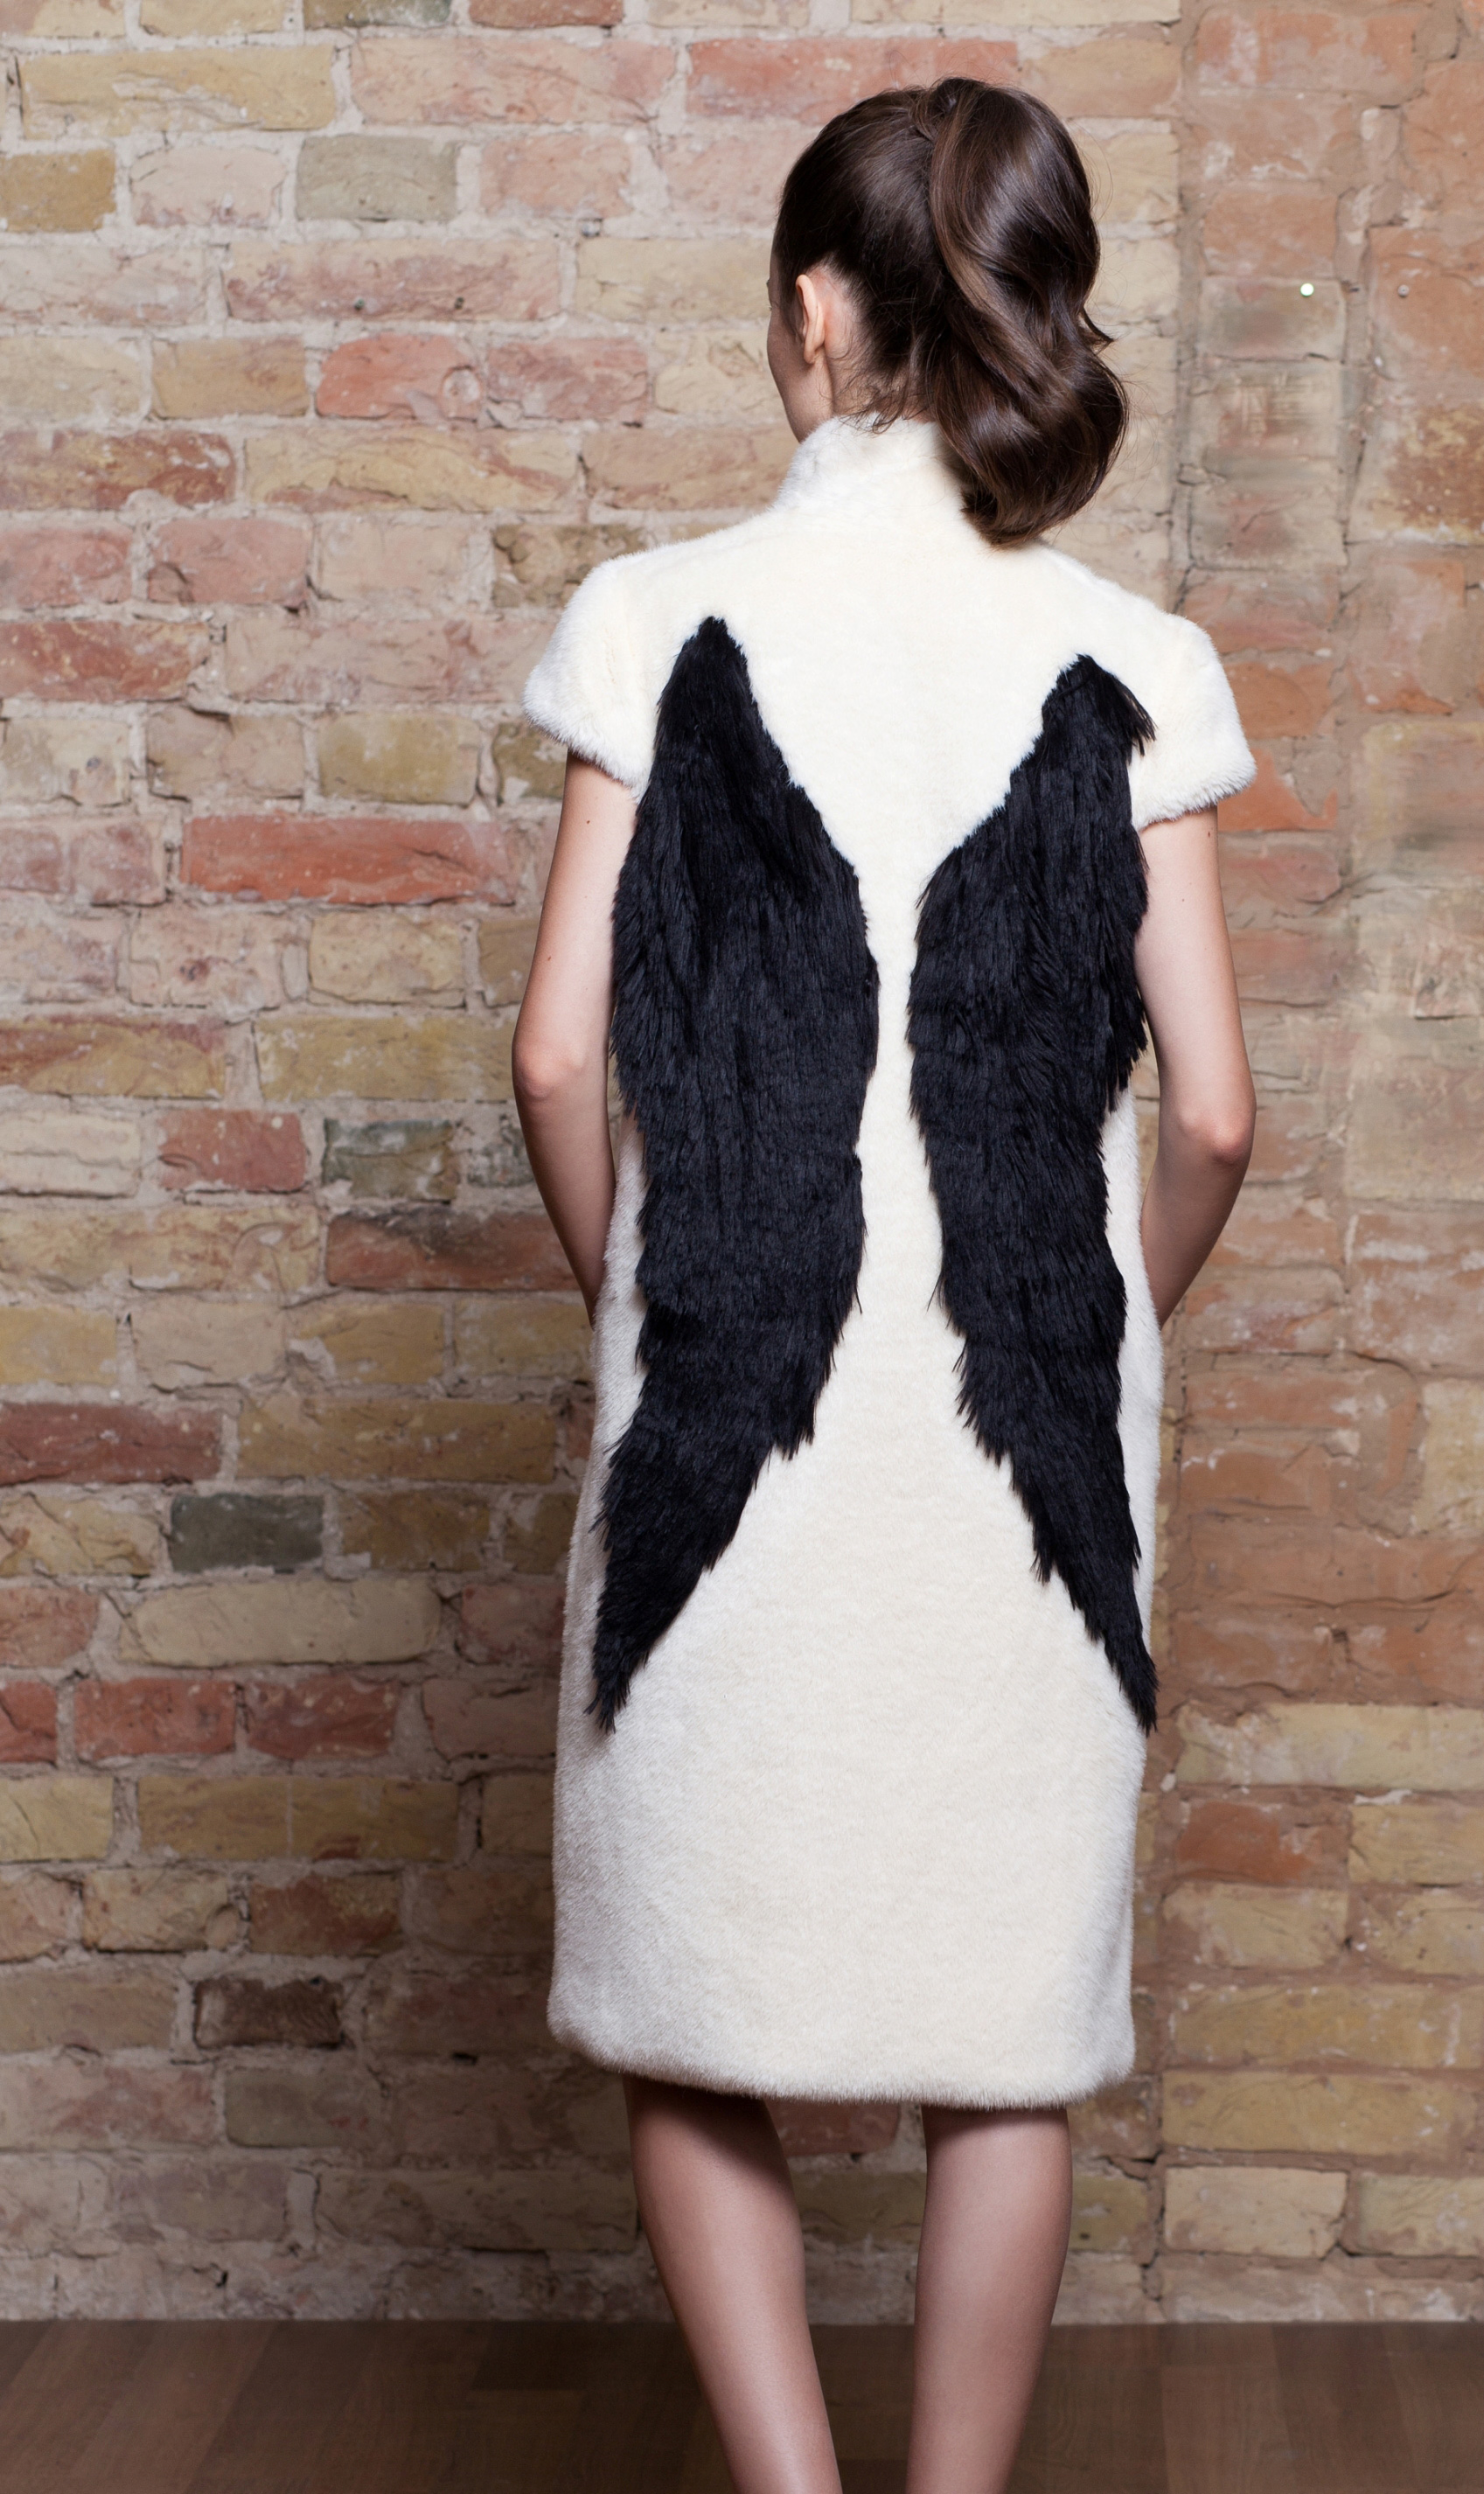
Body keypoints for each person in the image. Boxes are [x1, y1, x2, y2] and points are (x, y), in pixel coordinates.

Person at [512, 76, 1256, 2494]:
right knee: (1004, 2026)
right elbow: (1217, 1114)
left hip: (724, 1409)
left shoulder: (652, 620)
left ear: (817, 311)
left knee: (686, 1995)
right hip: (1023, 1455)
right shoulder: (1137, 654)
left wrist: (646, 1298)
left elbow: (555, 1052)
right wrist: (1099, 1323)